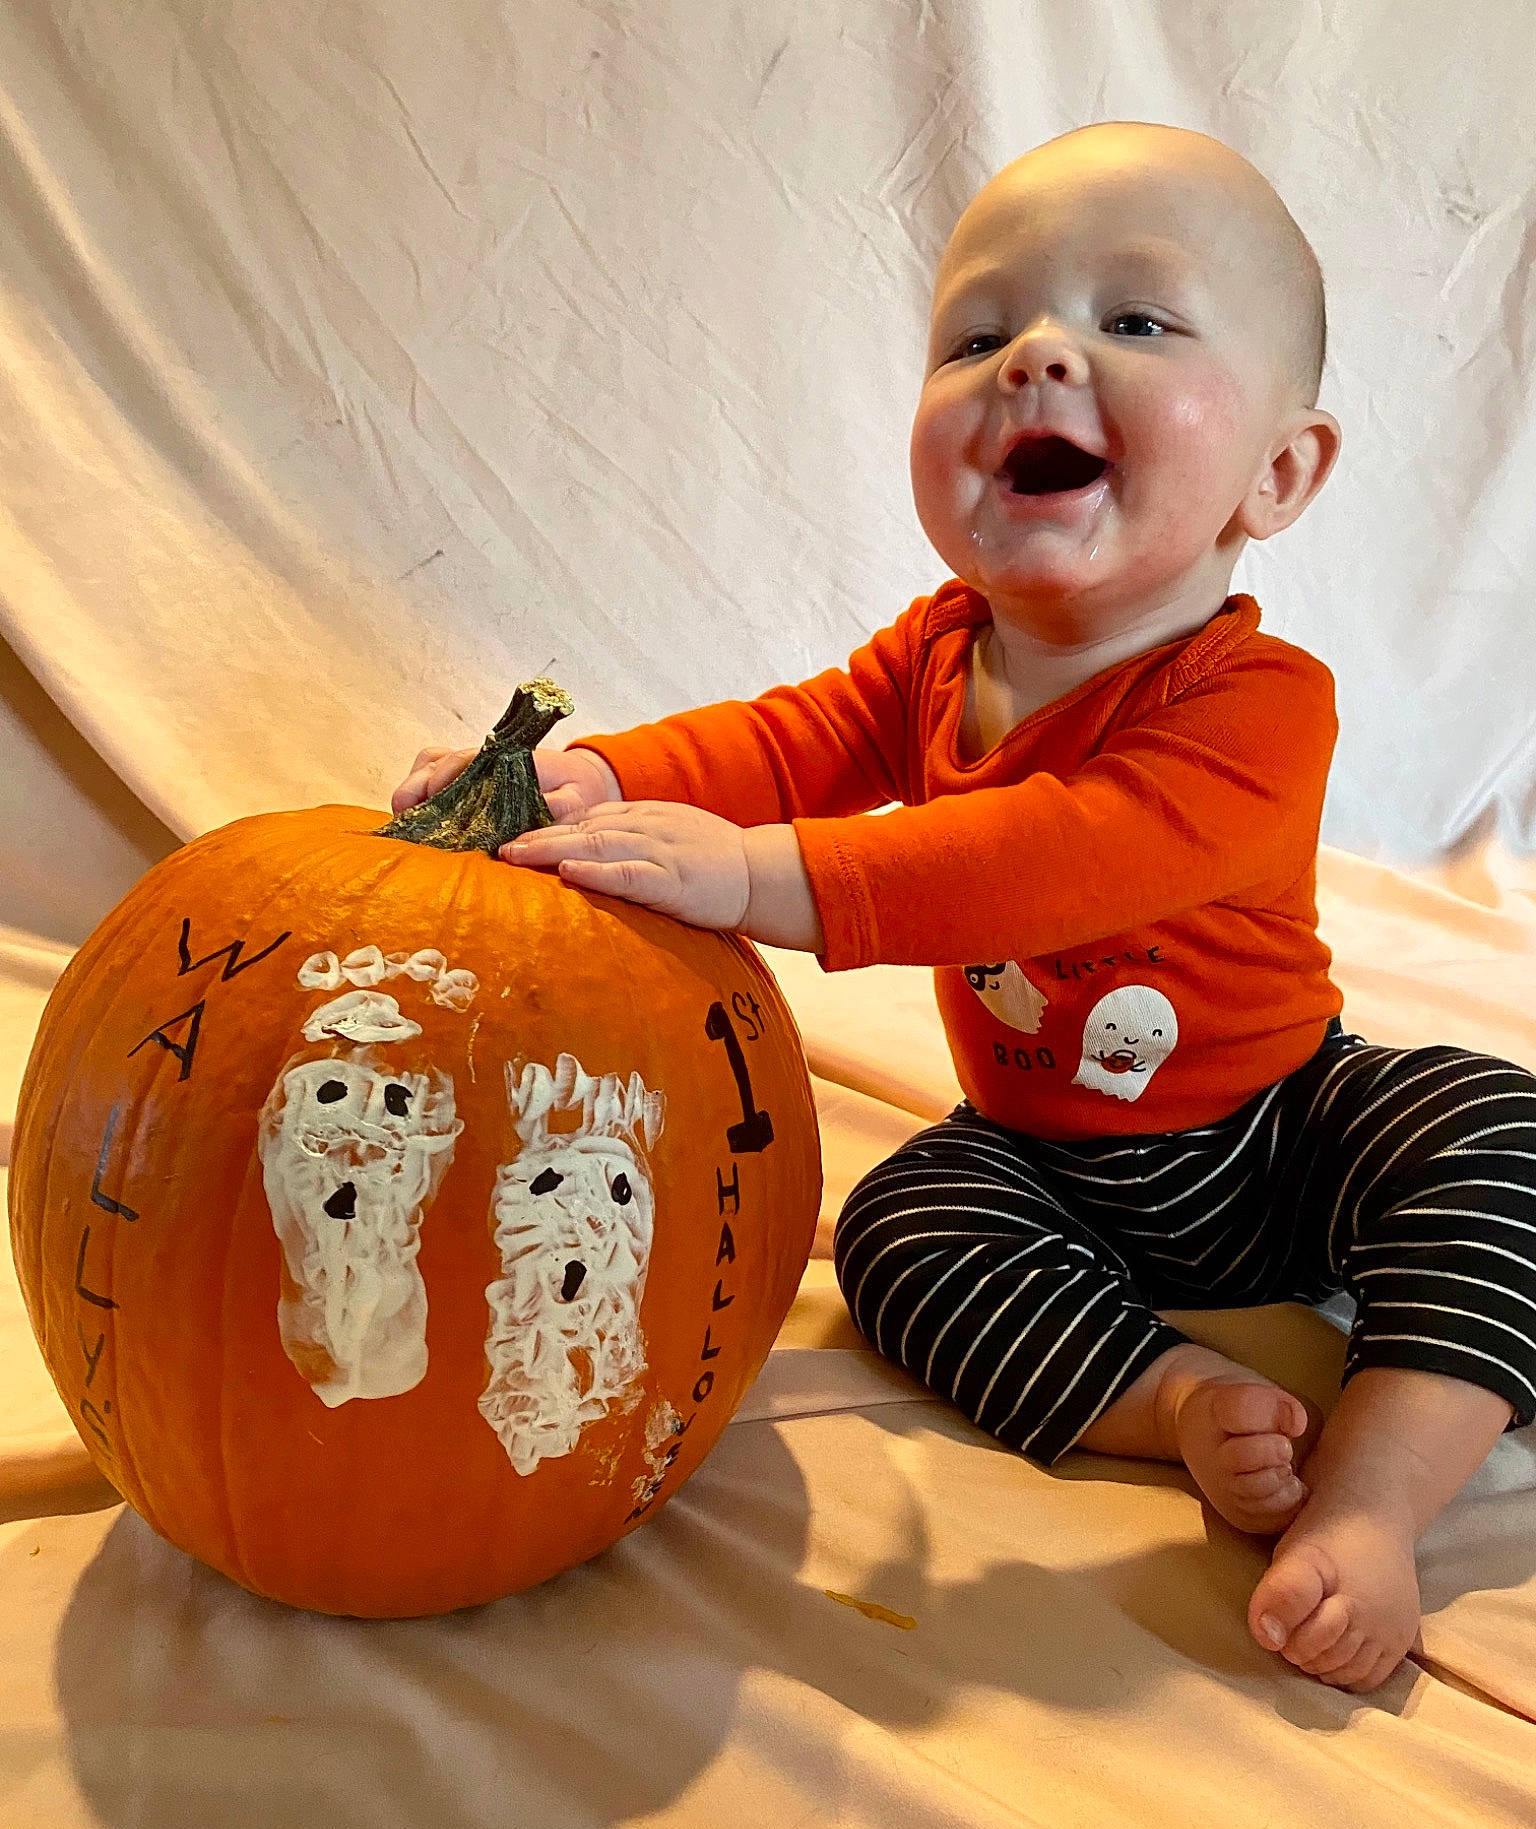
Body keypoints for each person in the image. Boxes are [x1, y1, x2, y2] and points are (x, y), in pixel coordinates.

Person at [393, 122, 1536, 1694]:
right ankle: (1170, 1396)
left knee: (1501, 1133)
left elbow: (1051, 854)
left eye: (1134, 321)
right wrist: (587, 777)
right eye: (981, 334)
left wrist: (757, 877)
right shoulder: (937, 651)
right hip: (1042, 1163)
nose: (1039, 359)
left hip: (1279, 1132)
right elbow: (781, 739)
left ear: (1279, 472)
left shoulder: (1261, 705)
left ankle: (1379, 1497)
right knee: (896, 1233)